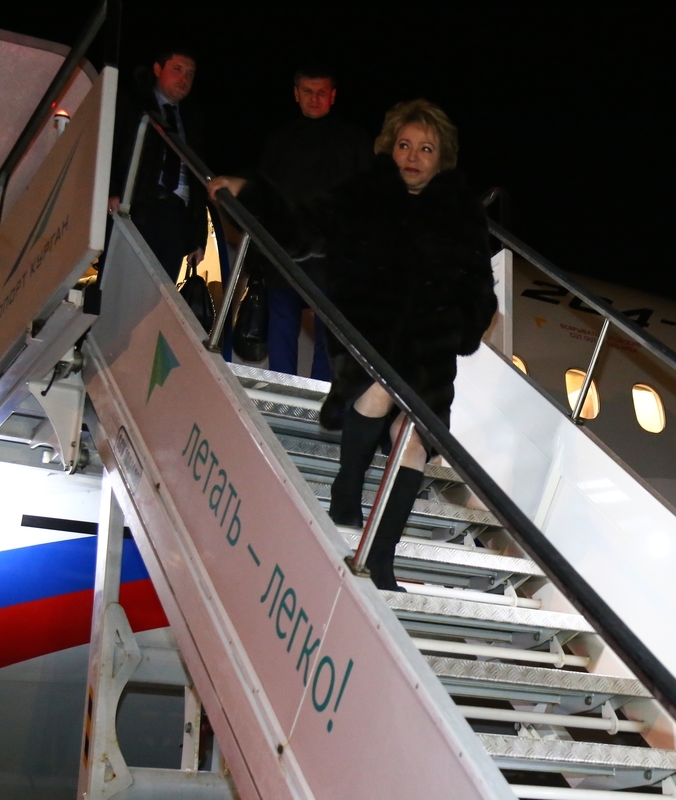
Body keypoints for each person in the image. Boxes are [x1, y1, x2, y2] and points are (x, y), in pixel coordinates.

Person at [210, 99, 496, 591]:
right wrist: (250, 193)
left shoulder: (461, 213)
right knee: (380, 389)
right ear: (390, 148)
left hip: (429, 351)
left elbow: (479, 289)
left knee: (413, 439)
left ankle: (381, 561)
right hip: (369, 337)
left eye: (425, 149)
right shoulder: (363, 195)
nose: (413, 156)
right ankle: (347, 488)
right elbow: (300, 230)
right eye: (404, 144)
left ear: (442, 158)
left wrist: (464, 327)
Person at [255, 65, 372, 380]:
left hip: (333, 257)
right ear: (296, 94)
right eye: (308, 91)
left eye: (321, 92)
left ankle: (318, 394)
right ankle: (282, 389)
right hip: (285, 254)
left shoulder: (355, 139)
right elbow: (264, 198)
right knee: (284, 323)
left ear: (333, 96)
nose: (314, 98)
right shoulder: (277, 141)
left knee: (329, 331)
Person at [108, 48, 207, 279]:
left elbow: (198, 180)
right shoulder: (133, 104)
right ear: (157, 69)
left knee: (161, 290)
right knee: (125, 282)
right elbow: (113, 146)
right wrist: (112, 189)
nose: (184, 79)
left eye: (190, 74)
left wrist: (198, 236)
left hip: (176, 216)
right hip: (138, 206)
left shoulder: (192, 120)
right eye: (177, 69)